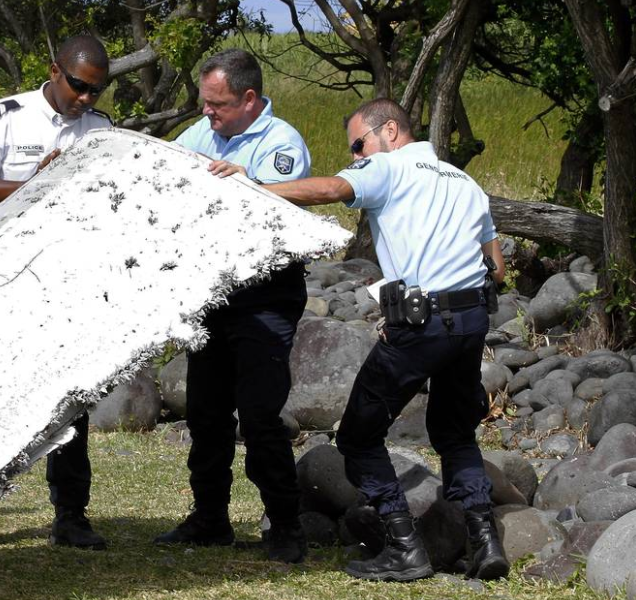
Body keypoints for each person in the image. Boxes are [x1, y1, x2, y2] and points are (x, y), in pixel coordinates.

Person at [247, 97, 508, 582]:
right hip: (472, 319)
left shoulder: (388, 167)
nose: (355, 156)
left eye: (358, 145)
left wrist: (253, 187)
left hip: (423, 323)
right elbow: (498, 268)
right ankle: (485, 541)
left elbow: (331, 188)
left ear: (389, 130)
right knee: (455, 434)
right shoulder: (465, 182)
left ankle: (405, 547)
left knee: (358, 436)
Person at [0, 34, 113, 550]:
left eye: (96, 90)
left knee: (69, 403)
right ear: (54, 71)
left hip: (62, 282)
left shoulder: (101, 130)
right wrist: (36, 185)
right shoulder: (6, 118)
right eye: (79, 86)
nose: (86, 98)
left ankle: (71, 515)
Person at [154, 48, 312, 564]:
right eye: (204, 102)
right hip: (213, 291)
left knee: (261, 415)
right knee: (206, 412)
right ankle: (210, 518)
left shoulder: (281, 143)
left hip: (264, 296)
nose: (207, 112)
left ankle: (285, 525)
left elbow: (278, 204)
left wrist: (247, 183)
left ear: (248, 99)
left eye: (217, 104)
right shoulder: (201, 134)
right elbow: (164, 174)